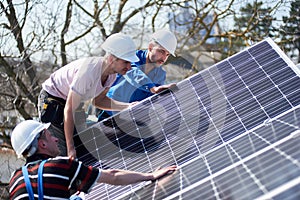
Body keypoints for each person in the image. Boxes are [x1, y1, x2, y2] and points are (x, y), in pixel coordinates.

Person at [9, 120, 177, 199]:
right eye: (50, 135)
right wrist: (151, 176)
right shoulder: (61, 165)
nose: (56, 139)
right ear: (42, 143)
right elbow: (112, 176)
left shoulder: (14, 180)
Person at [38, 33, 140, 160]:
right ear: (111, 59)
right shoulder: (89, 72)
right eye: (126, 62)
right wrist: (70, 149)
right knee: (61, 153)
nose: (129, 67)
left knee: (84, 146)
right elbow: (69, 110)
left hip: (68, 105)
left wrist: (127, 107)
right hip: (53, 100)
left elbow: (99, 101)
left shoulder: (111, 75)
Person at [97, 29, 178, 121]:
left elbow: (153, 100)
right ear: (150, 47)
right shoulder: (131, 58)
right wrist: (152, 88)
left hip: (132, 120)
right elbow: (133, 73)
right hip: (110, 114)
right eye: (162, 52)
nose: (163, 58)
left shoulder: (160, 75)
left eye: (167, 55)